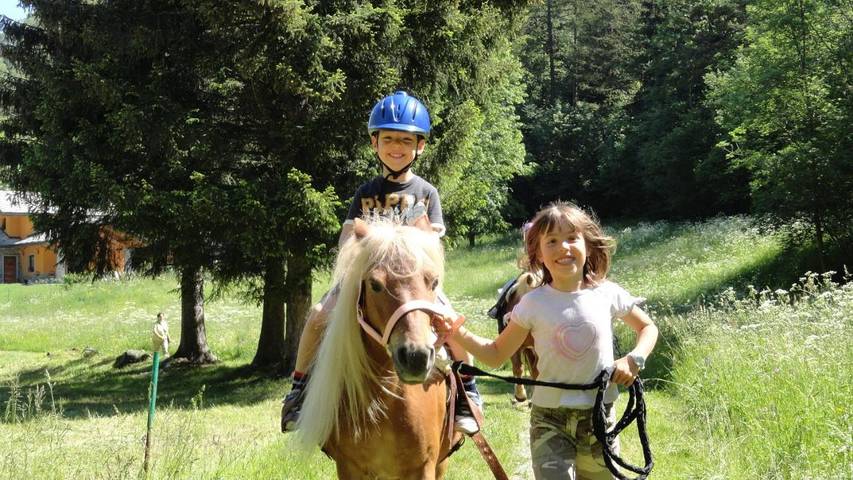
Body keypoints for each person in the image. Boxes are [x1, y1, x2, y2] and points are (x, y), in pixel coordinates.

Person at [281, 91, 483, 435]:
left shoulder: (426, 192)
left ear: (420, 146)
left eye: (406, 140)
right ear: (375, 143)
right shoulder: (365, 192)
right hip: (371, 279)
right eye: (389, 139)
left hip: (415, 283)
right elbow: (348, 239)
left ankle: (467, 391)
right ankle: (300, 387)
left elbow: (431, 242)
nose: (396, 147)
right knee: (318, 316)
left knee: (452, 324)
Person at [432, 201, 659, 480]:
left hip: (600, 416)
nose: (563, 247)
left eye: (572, 238)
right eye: (552, 241)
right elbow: (494, 354)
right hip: (549, 420)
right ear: (538, 253)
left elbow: (648, 328)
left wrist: (634, 359)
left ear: (588, 245)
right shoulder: (531, 304)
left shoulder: (608, 293)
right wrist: (455, 331)